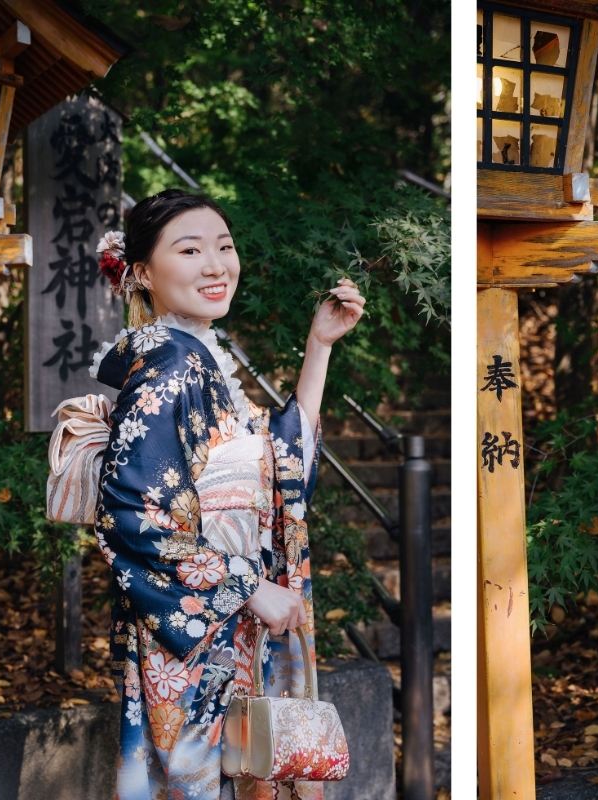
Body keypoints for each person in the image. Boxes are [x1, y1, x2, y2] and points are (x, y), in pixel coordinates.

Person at [50, 189, 364, 800]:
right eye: (190, 250)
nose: (216, 265)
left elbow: (278, 468)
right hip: (201, 626)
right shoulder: (173, 365)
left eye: (224, 246)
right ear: (142, 271)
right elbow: (133, 513)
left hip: (228, 616)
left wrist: (318, 347)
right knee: (208, 780)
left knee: (236, 774)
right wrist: (248, 586)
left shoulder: (200, 357)